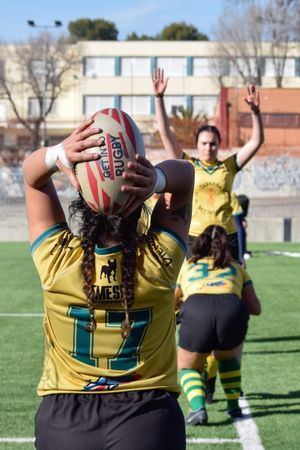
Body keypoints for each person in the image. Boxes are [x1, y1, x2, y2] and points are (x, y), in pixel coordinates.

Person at [23, 114, 194, 450]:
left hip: (64, 420)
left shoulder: (57, 261)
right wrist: (157, 178)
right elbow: (186, 176)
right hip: (146, 417)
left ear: (83, 204)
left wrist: (58, 154)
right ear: (140, 204)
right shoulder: (159, 261)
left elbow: (32, 179)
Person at [152, 68, 264, 260]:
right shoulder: (187, 165)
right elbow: (165, 132)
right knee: (189, 289)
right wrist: (159, 98)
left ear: (219, 145)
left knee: (231, 287)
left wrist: (255, 112)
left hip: (226, 236)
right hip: (194, 237)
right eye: (204, 143)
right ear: (197, 144)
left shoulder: (228, 166)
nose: (209, 147)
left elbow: (256, 141)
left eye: (213, 143)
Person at [174, 225, 261, 425]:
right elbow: (255, 308)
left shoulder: (189, 265)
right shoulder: (237, 267)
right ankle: (234, 407)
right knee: (227, 358)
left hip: (196, 310)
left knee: (187, 367)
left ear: (199, 243)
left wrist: (180, 313)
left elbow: (173, 301)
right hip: (231, 310)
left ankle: (198, 409)